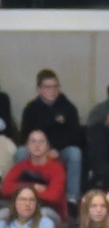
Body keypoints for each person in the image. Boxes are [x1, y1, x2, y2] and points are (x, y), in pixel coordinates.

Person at [18, 69, 82, 211]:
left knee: (75, 153)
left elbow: (75, 135)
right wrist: (40, 151)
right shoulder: (30, 109)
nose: (52, 91)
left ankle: (72, 199)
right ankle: (21, 194)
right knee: (21, 152)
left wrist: (55, 149)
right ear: (39, 89)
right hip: (36, 153)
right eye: (48, 87)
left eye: (55, 87)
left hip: (60, 151)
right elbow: (24, 136)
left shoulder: (68, 108)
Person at [2, 128, 67, 223]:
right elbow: (5, 190)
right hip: (20, 209)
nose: (37, 145)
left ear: (47, 146)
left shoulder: (57, 168)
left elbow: (53, 197)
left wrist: (20, 190)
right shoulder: (19, 167)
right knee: (3, 214)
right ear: (27, 146)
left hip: (48, 211)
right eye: (33, 141)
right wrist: (32, 187)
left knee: (42, 216)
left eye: (41, 141)